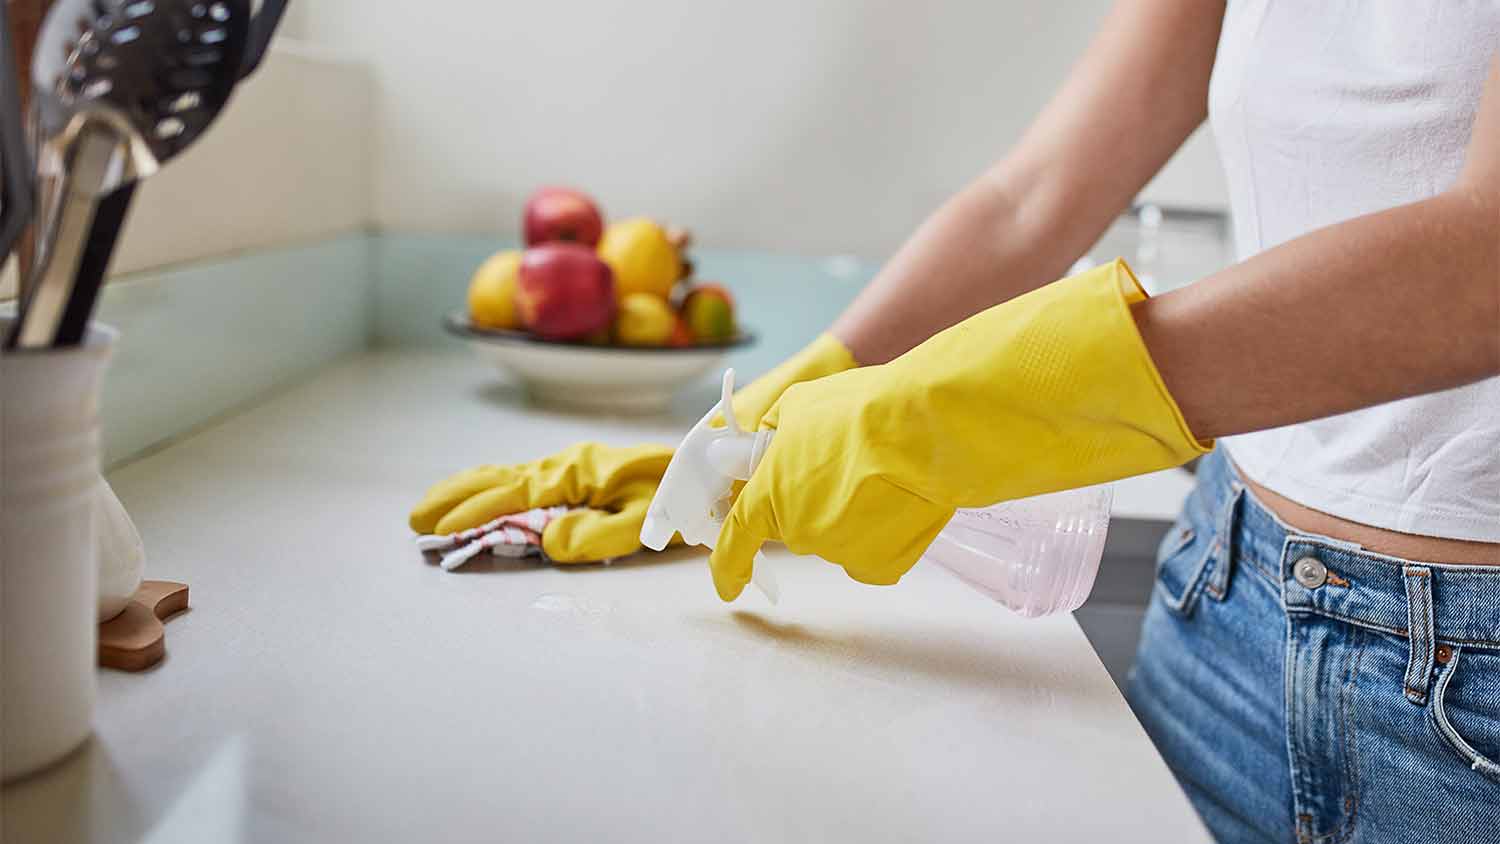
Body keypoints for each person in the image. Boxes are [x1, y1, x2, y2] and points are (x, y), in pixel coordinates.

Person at [413, 2, 1500, 839]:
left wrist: (934, 416)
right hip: (1221, 611)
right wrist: (753, 426)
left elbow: (1484, 262)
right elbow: (1033, 198)